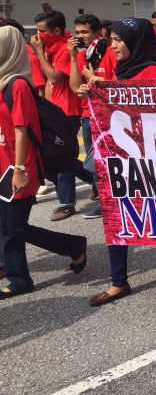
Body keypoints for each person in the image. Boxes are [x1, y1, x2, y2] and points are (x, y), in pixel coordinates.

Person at [0, 26, 88, 299]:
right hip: (3, 165)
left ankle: (72, 245)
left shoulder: (18, 85)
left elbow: (22, 129)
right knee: (5, 226)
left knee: (14, 227)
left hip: (18, 167)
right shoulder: (3, 81)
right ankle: (16, 276)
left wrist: (20, 169)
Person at [85, 18, 156, 306]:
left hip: (153, 160)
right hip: (124, 159)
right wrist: (99, 90)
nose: (114, 45)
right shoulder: (122, 70)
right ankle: (118, 281)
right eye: (113, 39)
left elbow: (151, 112)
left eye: (119, 40)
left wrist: (109, 93)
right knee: (115, 213)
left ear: (136, 42)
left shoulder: (152, 70)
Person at [30, 10, 92, 221]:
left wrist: (39, 52)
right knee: (62, 157)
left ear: (57, 30)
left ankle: (67, 203)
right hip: (54, 109)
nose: (38, 35)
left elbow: (55, 78)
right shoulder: (50, 47)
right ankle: (97, 181)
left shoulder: (66, 48)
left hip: (67, 110)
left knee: (61, 157)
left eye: (42, 31)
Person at [67, 13, 116, 218]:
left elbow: (116, 85)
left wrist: (93, 78)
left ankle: (114, 200)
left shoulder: (110, 52)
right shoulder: (82, 55)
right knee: (94, 164)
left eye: (84, 32)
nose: (80, 36)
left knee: (109, 162)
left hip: (109, 116)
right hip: (88, 115)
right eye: (77, 32)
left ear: (97, 33)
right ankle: (104, 201)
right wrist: (72, 56)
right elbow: (75, 86)